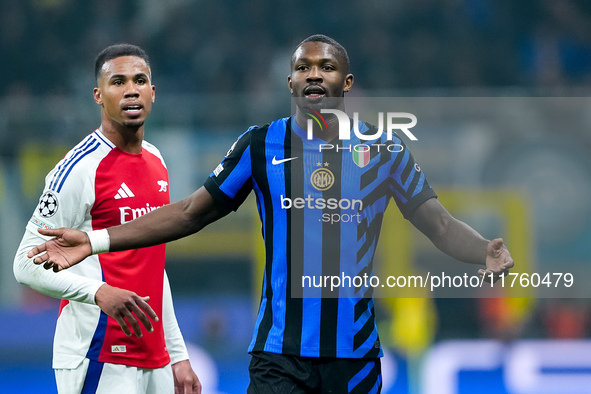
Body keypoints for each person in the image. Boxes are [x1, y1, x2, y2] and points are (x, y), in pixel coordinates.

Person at [27, 35, 513, 393]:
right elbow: (192, 212)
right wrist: (97, 241)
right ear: (291, 82)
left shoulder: (384, 151)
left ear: (346, 81)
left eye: (326, 67)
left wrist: (482, 250)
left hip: (357, 356)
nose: (314, 74)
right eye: (304, 68)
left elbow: (439, 225)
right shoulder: (261, 145)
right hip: (278, 355)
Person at [14, 44, 201, 394]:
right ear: (99, 95)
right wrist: (97, 291)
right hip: (97, 352)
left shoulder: (156, 160)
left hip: (153, 356)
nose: (131, 89)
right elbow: (24, 265)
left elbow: (152, 265)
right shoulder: (79, 168)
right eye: (118, 82)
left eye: (140, 80)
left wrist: (177, 353)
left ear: (153, 92)